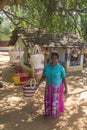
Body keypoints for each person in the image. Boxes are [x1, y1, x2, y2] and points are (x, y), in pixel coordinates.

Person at [37, 52, 67, 119]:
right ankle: (47, 112)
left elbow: (64, 78)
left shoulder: (61, 68)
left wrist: (66, 89)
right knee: (47, 100)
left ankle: (54, 114)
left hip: (56, 88)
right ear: (50, 58)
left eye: (56, 58)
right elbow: (43, 77)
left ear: (58, 59)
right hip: (48, 87)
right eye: (52, 58)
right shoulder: (47, 67)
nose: (54, 59)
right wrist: (38, 84)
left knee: (55, 102)